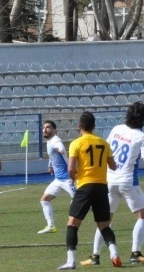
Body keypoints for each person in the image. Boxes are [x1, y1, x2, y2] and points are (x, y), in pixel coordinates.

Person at [81, 102, 144, 266]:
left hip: (109, 180)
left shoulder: (117, 129)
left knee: (105, 221)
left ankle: (95, 256)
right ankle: (135, 253)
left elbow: (106, 150)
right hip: (127, 181)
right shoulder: (141, 137)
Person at [58, 112, 122, 270]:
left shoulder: (76, 143)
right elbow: (113, 166)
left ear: (79, 126)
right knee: (104, 225)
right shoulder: (103, 143)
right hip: (101, 187)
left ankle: (71, 261)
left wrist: (73, 178)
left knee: (72, 223)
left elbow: (71, 168)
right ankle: (114, 254)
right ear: (94, 126)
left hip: (85, 186)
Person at [38, 120, 75, 234]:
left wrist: (61, 149)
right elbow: (51, 155)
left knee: (82, 201)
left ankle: (103, 220)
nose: (45, 129)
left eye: (48, 127)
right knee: (44, 200)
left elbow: (60, 147)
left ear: (54, 130)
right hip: (58, 180)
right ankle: (51, 226)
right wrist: (50, 165)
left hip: (67, 179)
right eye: (44, 127)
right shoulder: (49, 142)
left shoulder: (55, 140)